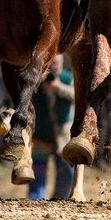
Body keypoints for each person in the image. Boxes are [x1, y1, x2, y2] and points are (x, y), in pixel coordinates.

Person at [28, 55, 75, 200]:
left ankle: (60, 198)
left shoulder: (68, 77)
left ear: (61, 61)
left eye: (56, 62)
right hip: (41, 132)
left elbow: (75, 96)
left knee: (65, 169)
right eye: (51, 62)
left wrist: (58, 87)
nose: (53, 65)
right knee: (38, 169)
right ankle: (35, 199)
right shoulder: (37, 77)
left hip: (63, 132)